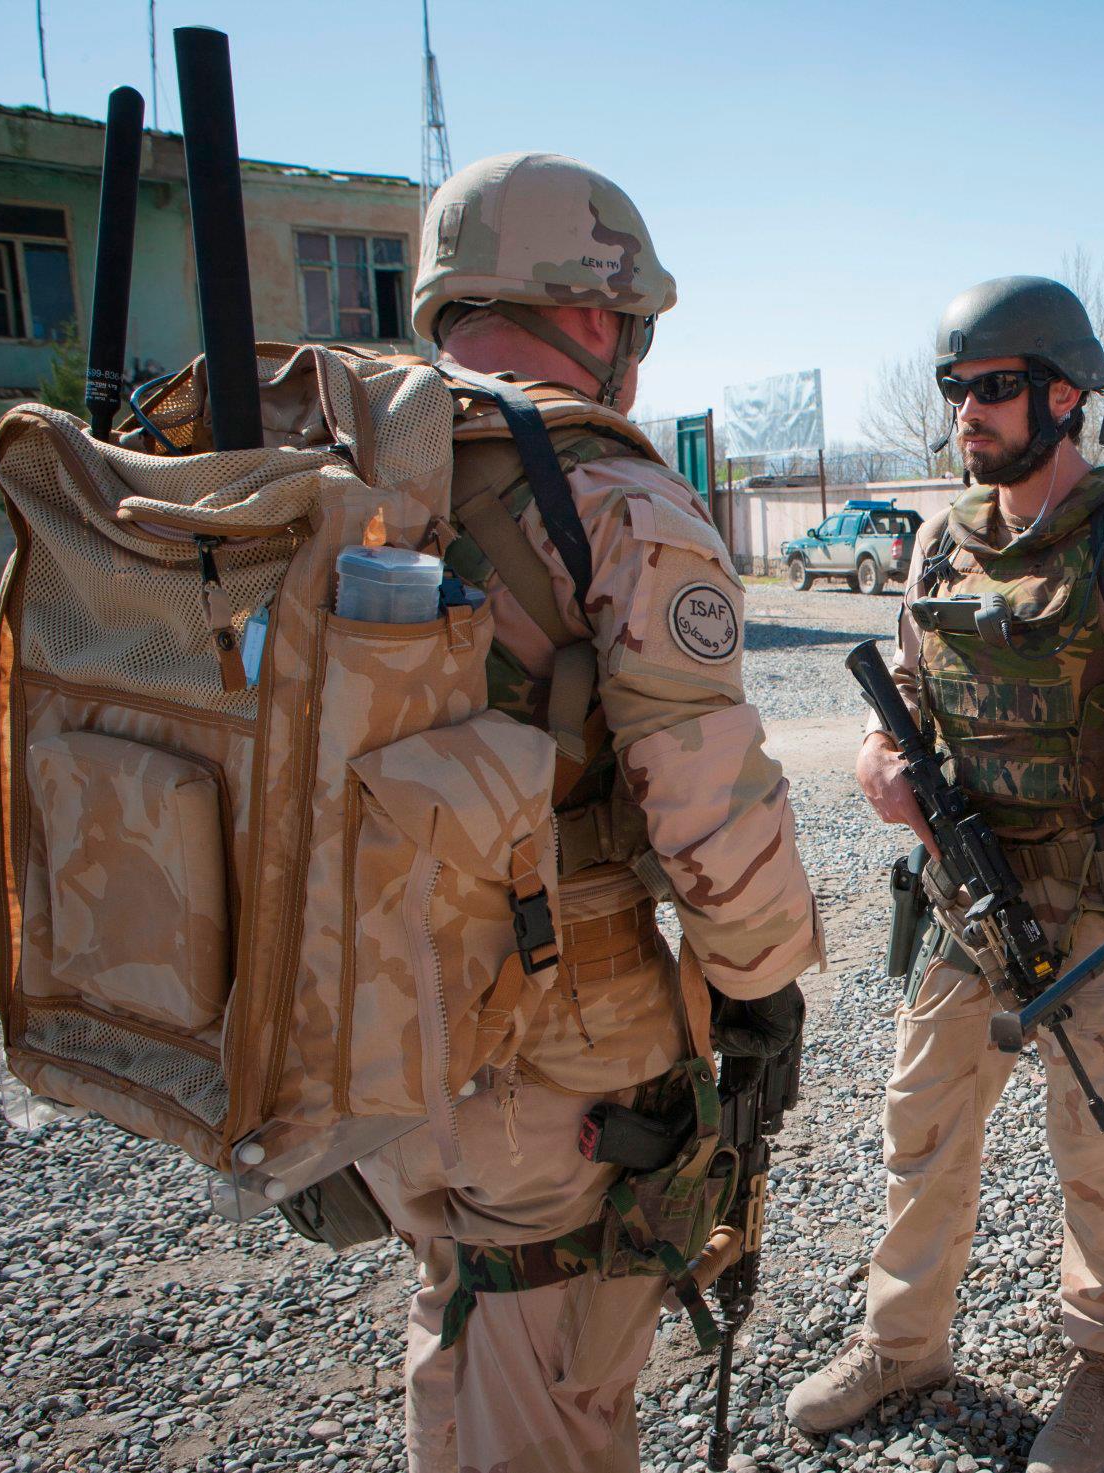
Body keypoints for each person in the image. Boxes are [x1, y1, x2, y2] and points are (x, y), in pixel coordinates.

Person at [354, 151, 822, 1473]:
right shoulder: (612, 500)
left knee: (460, 1320)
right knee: (551, 1385)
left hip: (375, 1027)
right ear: (597, 317)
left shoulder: (356, 482)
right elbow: (711, 816)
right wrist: (763, 991)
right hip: (550, 1061)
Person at [785, 277, 1104, 1472]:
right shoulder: (942, 539)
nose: (965, 416)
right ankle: (903, 1341)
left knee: (1100, 1149)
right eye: (956, 392)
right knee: (918, 1128)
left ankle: (1103, 1361)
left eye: (990, 390)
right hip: (965, 903)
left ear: (1064, 395)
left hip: (1099, 913)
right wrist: (882, 768)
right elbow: (909, 700)